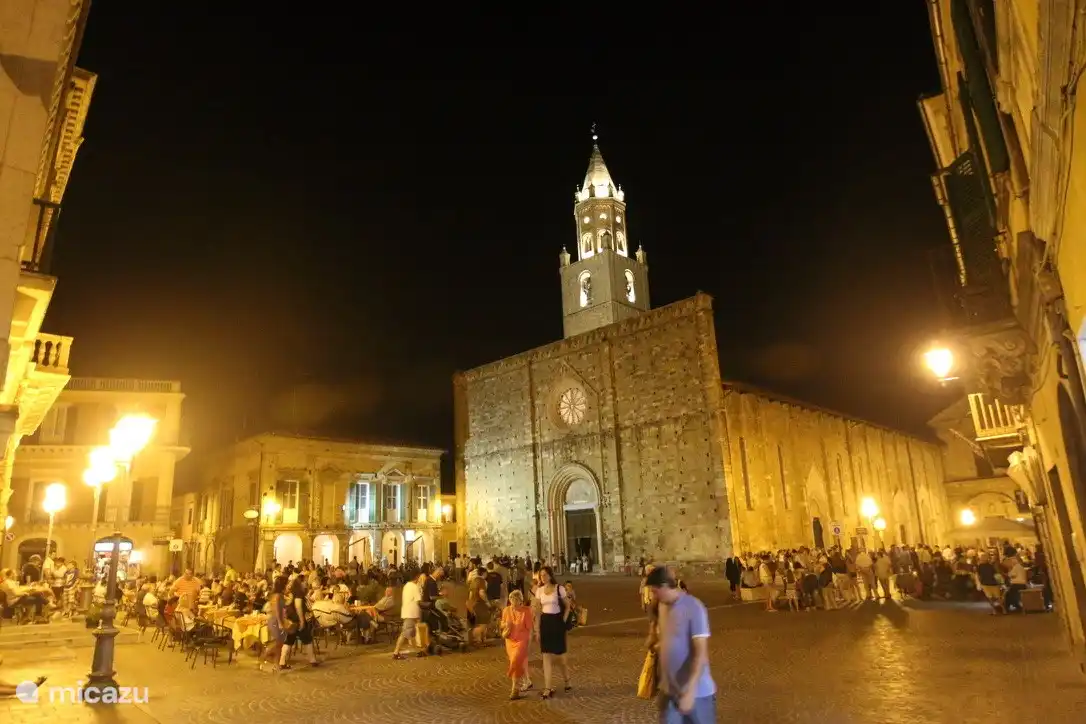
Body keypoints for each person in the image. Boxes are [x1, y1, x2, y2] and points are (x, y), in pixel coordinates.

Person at [645, 566, 716, 723]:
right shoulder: (661, 605)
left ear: (665, 586)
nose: (653, 596)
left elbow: (700, 654)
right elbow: (667, 636)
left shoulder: (694, 608)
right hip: (669, 692)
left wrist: (690, 691)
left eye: (655, 591)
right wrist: (655, 641)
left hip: (697, 693)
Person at [533, 566, 571, 699]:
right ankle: (547, 688)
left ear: (550, 575)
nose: (542, 578)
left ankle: (567, 680)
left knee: (561, 658)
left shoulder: (559, 588)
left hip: (557, 621)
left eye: (545, 575)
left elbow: (568, 606)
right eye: (541, 575)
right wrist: (537, 630)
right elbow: (538, 611)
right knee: (546, 656)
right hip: (545, 622)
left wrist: (563, 621)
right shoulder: (539, 591)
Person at [501, 589, 534, 700]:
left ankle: (514, 688)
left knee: (515, 661)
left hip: (522, 640)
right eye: (511, 601)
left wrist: (529, 644)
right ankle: (526, 681)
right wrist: (506, 625)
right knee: (517, 662)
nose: (513, 604)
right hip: (510, 640)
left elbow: (530, 629)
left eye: (516, 601)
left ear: (520, 601)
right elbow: (501, 624)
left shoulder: (526, 611)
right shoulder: (506, 610)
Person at [393, 573, 426, 660]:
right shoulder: (414, 587)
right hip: (411, 614)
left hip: (407, 613)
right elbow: (418, 601)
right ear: (417, 577)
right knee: (404, 634)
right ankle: (396, 652)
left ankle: (418, 651)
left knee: (412, 635)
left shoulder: (406, 586)